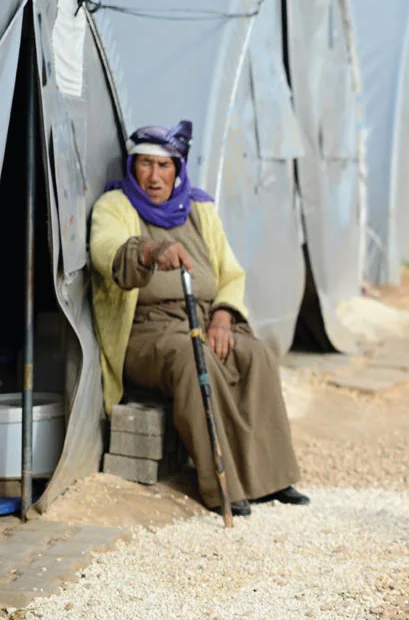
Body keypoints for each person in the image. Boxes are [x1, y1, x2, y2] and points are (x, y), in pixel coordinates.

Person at [90, 121, 307, 518]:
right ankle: (223, 485)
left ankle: (270, 478)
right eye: (145, 165)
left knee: (255, 354)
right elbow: (107, 251)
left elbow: (230, 273)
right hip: (147, 330)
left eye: (164, 166)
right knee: (195, 360)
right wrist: (151, 251)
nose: (155, 177)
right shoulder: (115, 206)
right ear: (132, 167)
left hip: (205, 317)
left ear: (179, 170)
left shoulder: (201, 209)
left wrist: (223, 317)